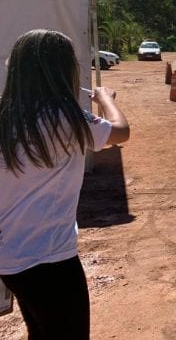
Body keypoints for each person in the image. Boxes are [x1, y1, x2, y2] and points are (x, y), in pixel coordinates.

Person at [0, 29, 130, 340]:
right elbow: (121, 132)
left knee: (40, 331)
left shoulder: (5, 116)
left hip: (10, 258)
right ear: (65, 71)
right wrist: (106, 100)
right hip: (51, 261)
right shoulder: (68, 119)